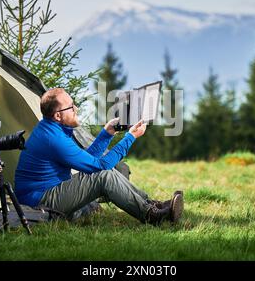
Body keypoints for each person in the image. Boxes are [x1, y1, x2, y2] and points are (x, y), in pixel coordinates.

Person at [14, 88, 183, 225]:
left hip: (51, 191)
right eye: (71, 107)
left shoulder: (53, 129)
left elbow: (87, 161)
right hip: (41, 201)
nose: (76, 109)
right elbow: (100, 167)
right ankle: (151, 216)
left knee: (114, 168)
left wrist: (107, 133)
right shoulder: (53, 138)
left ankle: (153, 205)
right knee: (104, 175)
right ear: (58, 115)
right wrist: (130, 137)